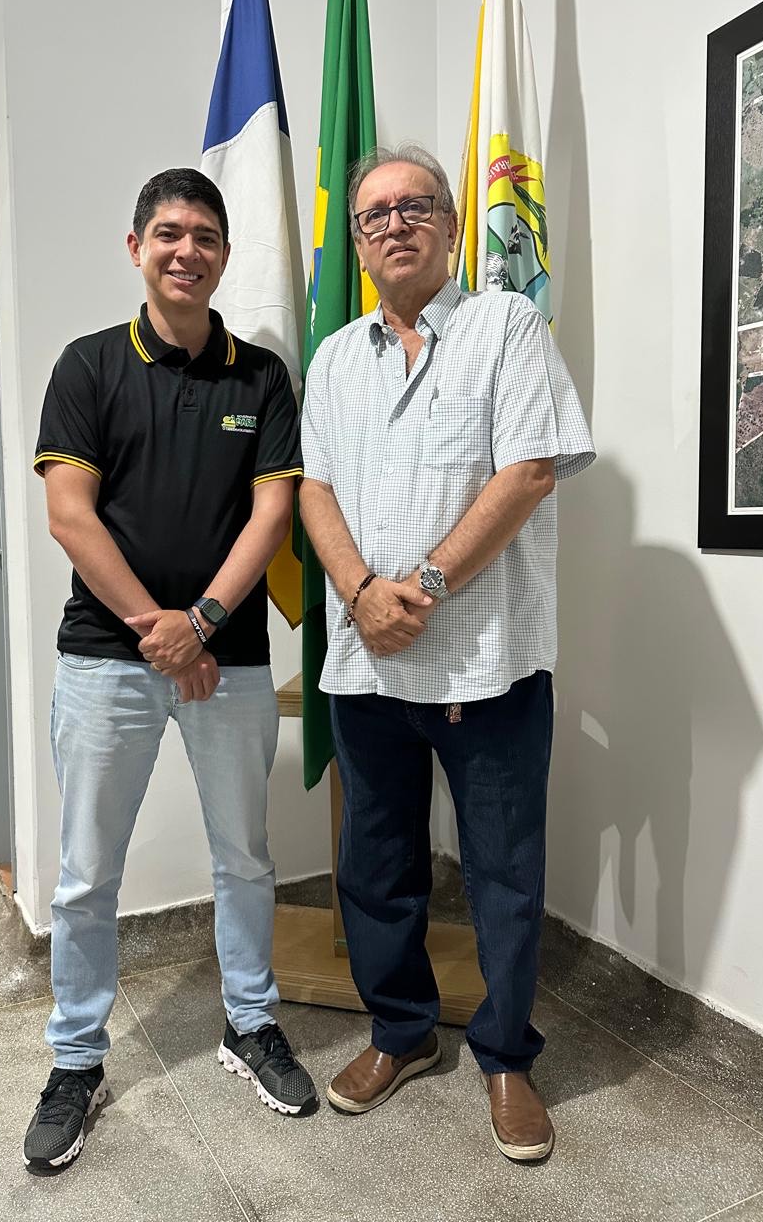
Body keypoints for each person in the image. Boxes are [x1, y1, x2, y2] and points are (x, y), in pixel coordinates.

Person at [299, 142, 594, 1162]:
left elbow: (529, 472)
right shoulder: (334, 358)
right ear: (358, 241)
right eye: (375, 213)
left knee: (503, 872)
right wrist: (358, 592)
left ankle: (506, 1057)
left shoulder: (505, 324)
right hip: (367, 662)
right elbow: (313, 488)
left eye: (416, 205)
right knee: (375, 864)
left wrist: (419, 587)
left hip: (486, 661)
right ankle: (402, 1033)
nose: (395, 224)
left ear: (453, 225)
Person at [24, 167, 316, 1173]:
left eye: (205, 236)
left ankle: (250, 1021)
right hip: (107, 657)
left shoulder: (261, 377)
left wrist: (202, 624)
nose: (187, 250)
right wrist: (163, 630)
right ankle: (75, 1059)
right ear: (137, 247)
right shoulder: (88, 365)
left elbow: (272, 516)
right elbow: (71, 515)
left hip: (230, 657)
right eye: (169, 233)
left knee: (245, 857)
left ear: (225, 255)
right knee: (85, 874)